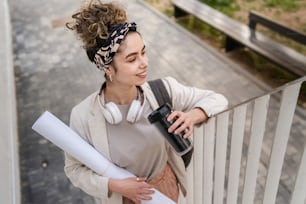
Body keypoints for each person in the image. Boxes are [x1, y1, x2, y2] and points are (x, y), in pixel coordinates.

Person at [64, 1, 228, 203]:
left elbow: (218, 99)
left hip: (166, 189)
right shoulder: (82, 116)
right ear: (108, 69)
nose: (144, 63)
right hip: (123, 198)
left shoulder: (163, 90)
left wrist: (192, 116)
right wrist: (112, 185)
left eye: (143, 52)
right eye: (132, 59)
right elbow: (73, 169)